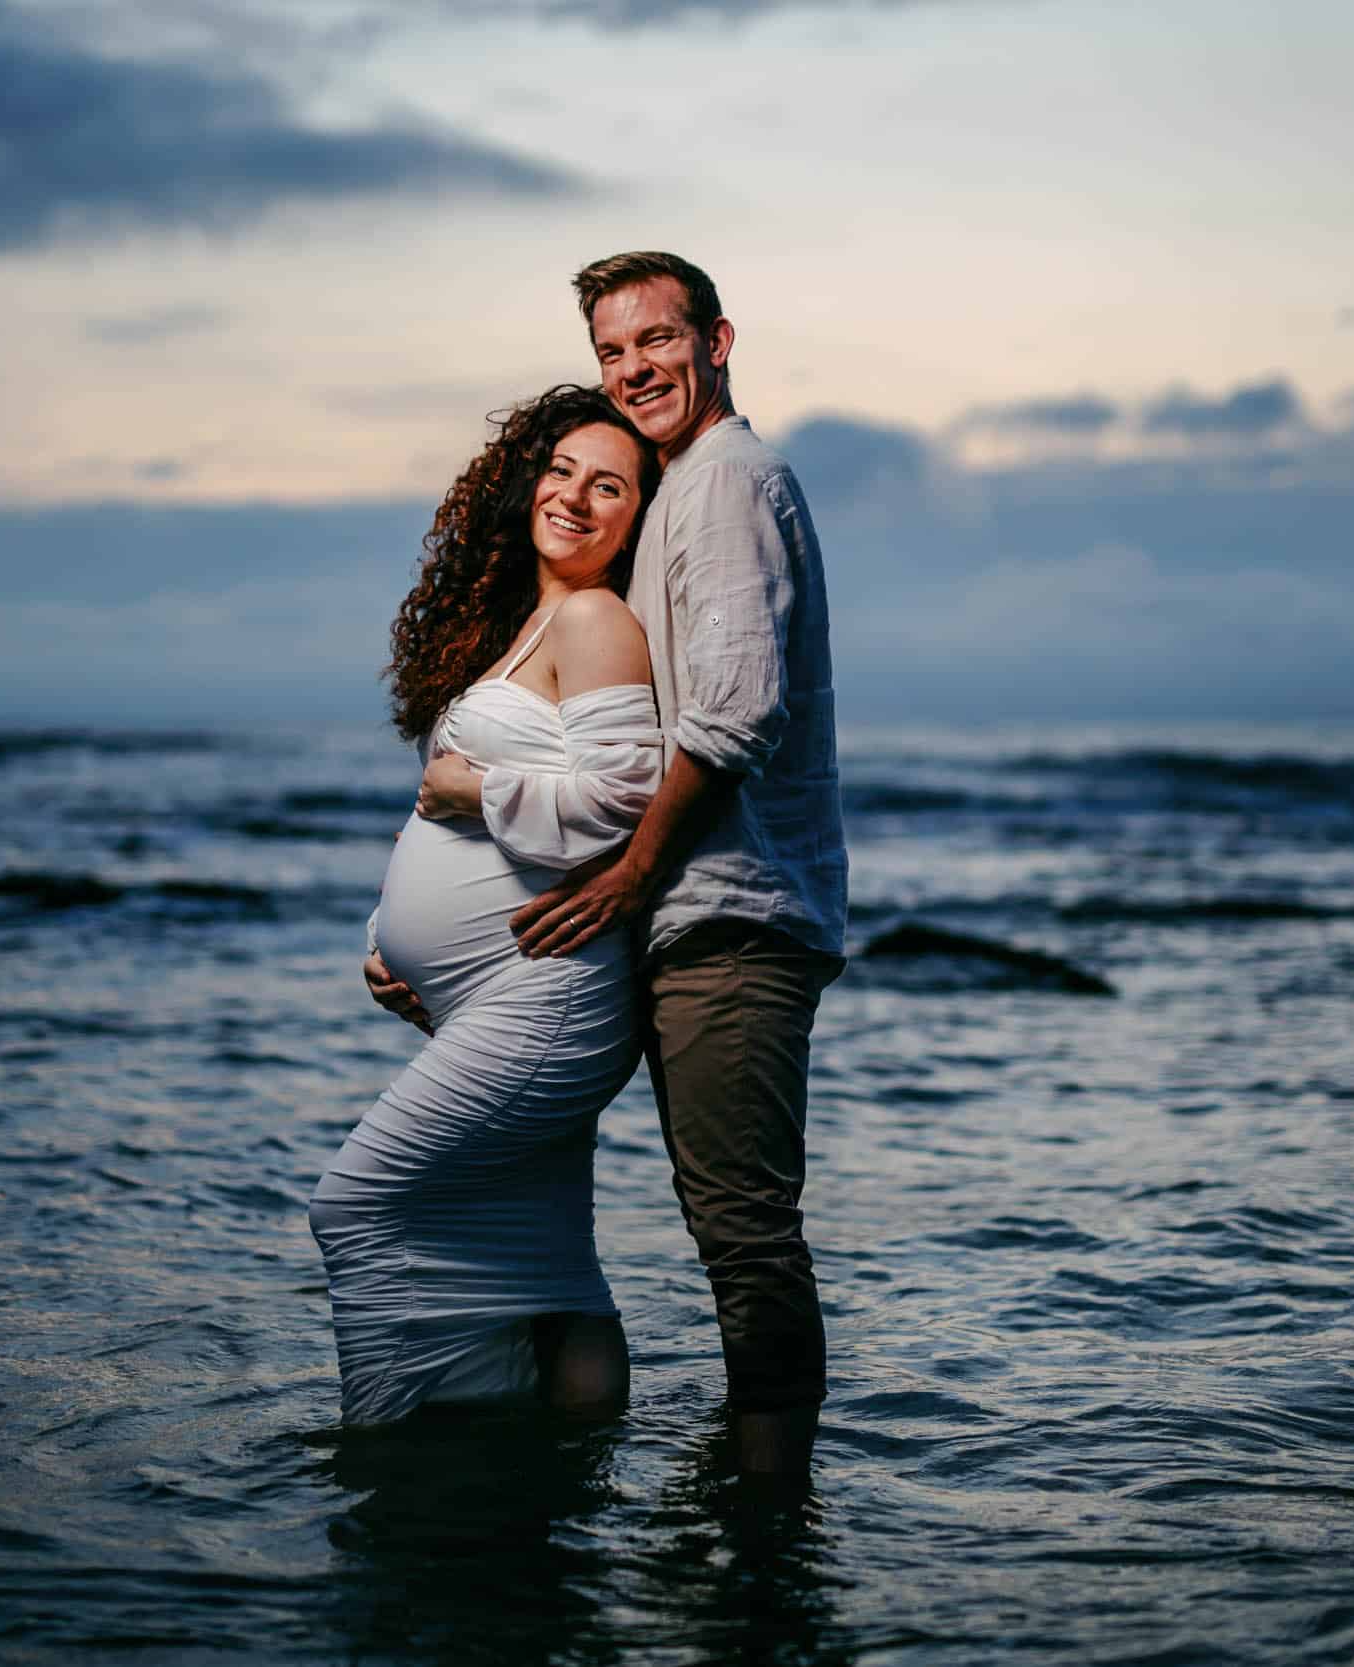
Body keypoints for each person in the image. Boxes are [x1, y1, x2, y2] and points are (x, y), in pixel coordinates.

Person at [510, 252, 848, 1480]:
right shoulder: (682, 488)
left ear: (716, 340)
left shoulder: (727, 483)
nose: (633, 368)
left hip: (730, 919)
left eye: (655, 340)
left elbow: (734, 716)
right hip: (689, 919)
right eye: (611, 351)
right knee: (725, 1232)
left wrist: (629, 878)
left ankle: (771, 1520)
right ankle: (744, 1494)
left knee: (746, 1237)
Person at [313, 384, 665, 1427]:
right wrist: (387, 943)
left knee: (357, 1203)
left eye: (609, 485)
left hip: (546, 999)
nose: (573, 496)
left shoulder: (598, 619)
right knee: (547, 1262)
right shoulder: (531, 620)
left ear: (639, 516)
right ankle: (560, 1465)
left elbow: (621, 804)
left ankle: (393, 1460)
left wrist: (479, 790)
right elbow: (429, 820)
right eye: (559, 471)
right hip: (488, 997)